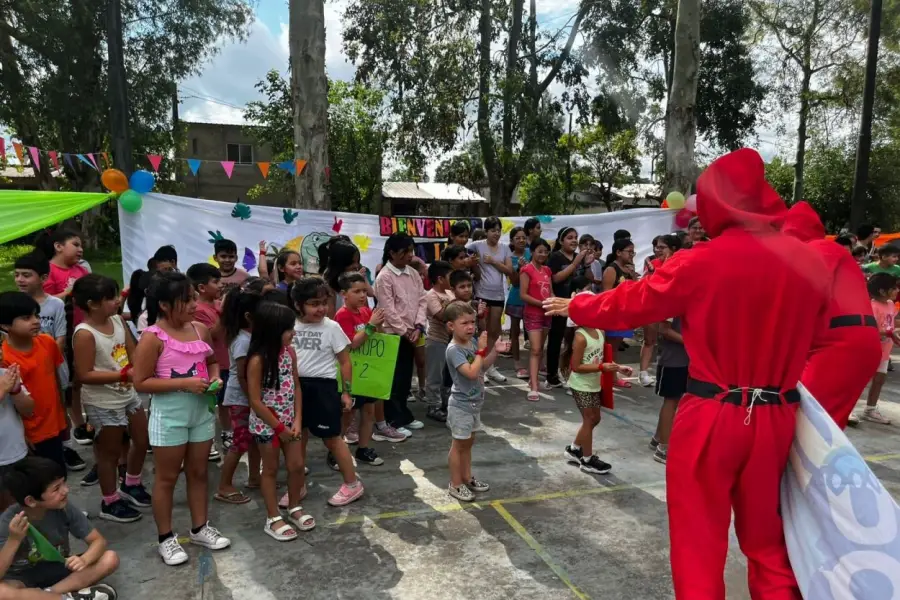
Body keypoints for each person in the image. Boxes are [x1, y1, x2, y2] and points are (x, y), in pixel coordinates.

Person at [545, 148, 832, 599]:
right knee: (769, 546)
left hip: (713, 411)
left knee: (699, 544)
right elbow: (822, 340)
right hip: (777, 416)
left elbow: (636, 301)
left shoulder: (701, 261)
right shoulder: (812, 263)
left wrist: (579, 305)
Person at [132, 272, 230, 566]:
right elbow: (140, 382)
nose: (193, 304)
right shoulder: (153, 337)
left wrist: (214, 379)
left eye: (193, 298)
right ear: (163, 304)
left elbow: (211, 361)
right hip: (170, 414)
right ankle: (166, 538)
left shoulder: (201, 329)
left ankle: (200, 527)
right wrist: (184, 383)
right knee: (166, 477)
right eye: (185, 299)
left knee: (199, 472)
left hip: (201, 411)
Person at [782, 202, 882, 430]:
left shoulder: (819, 249)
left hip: (839, 346)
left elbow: (804, 291)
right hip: (852, 342)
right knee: (825, 428)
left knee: (805, 425)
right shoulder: (832, 250)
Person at [71, 275, 151, 524]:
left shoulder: (117, 320)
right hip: (102, 401)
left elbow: (132, 350)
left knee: (142, 438)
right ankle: (110, 500)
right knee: (109, 453)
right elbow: (84, 374)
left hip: (128, 393)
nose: (118, 300)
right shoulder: (85, 334)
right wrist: (123, 374)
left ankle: (131, 483)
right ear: (93, 304)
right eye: (111, 298)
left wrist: (139, 368)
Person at [290, 277, 364, 506]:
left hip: (323, 388)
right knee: (297, 439)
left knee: (332, 439)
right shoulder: (289, 324)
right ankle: (297, 485)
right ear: (297, 305)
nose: (321, 308)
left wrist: (346, 392)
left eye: (324, 302)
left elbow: (345, 362)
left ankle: (353, 484)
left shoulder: (331, 327)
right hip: (294, 387)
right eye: (313, 303)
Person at [0, 457, 118, 599]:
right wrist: (14, 539)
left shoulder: (64, 508)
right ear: (31, 501)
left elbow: (98, 541)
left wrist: (85, 559)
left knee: (110, 558)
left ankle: (49, 595)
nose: (65, 490)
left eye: (63, 483)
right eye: (56, 488)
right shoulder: (8, 521)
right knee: (3, 592)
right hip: (22, 579)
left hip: (59, 569)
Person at [245, 302, 314, 540]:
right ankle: (273, 516)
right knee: (271, 469)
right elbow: (255, 401)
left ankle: (294, 506)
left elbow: (296, 385)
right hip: (268, 426)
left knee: (296, 466)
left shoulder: (289, 353)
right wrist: (279, 428)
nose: (293, 333)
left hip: (289, 423)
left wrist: (297, 420)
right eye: (288, 329)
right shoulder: (257, 361)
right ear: (273, 330)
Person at [34, 230, 91, 457]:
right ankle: (73, 424)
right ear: (58, 246)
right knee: (65, 382)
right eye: (75, 244)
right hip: (60, 333)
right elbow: (43, 301)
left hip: (82, 330)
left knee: (79, 377)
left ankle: (80, 422)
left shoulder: (82, 270)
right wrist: (67, 292)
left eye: (81, 245)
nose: (80, 249)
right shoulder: (49, 271)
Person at [561, 295, 631, 474]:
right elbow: (576, 367)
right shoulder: (580, 337)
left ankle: (574, 448)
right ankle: (587, 459)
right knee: (589, 419)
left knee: (595, 419)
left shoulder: (600, 331)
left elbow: (603, 357)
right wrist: (601, 367)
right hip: (581, 385)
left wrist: (618, 367)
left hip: (593, 383)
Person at [0, 293, 67, 474]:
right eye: (26, 318)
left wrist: (64, 415)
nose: (35, 321)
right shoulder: (4, 358)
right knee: (37, 484)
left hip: (53, 424)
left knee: (58, 475)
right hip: (30, 433)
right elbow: (9, 403)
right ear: (5, 325)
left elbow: (55, 379)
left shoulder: (47, 342)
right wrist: (21, 435)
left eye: (36, 315)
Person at [444, 303, 504, 502]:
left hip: (474, 403)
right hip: (460, 405)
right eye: (464, 323)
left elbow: (482, 367)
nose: (471, 327)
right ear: (451, 326)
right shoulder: (454, 350)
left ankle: (467, 477)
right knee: (458, 445)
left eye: (472, 322)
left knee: (468, 444)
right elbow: (470, 373)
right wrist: (479, 352)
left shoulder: (471, 343)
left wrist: (494, 351)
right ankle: (455, 483)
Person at [374, 234, 426, 435]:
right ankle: (393, 419)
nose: (410, 256)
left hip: (412, 332)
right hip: (392, 334)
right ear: (392, 253)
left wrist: (419, 326)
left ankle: (402, 414)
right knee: (393, 379)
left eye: (411, 251)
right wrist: (406, 331)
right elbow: (388, 310)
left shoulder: (412, 274)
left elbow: (422, 299)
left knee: (405, 377)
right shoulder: (384, 277)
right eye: (405, 252)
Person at [215, 290, 264, 505]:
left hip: (248, 397)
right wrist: (255, 400)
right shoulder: (242, 341)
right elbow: (244, 376)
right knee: (240, 442)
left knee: (253, 440)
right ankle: (224, 485)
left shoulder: (247, 336)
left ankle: (255, 477)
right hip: (241, 398)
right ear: (248, 316)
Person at [334, 273, 386, 464]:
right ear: (344, 294)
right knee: (347, 414)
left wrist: (378, 325)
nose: (362, 295)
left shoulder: (365, 312)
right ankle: (336, 450)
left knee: (369, 411)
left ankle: (363, 448)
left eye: (364, 291)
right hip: (351, 373)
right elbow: (351, 344)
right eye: (356, 291)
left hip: (368, 372)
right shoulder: (342, 315)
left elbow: (378, 337)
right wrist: (371, 327)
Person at [185, 264, 228, 461]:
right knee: (209, 404)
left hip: (225, 362)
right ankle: (207, 441)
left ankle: (227, 433)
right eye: (216, 281)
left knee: (226, 403)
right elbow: (211, 336)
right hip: (211, 363)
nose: (221, 285)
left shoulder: (217, 304)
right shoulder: (199, 310)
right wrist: (226, 313)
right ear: (202, 287)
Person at [467, 217, 513, 384]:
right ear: (486, 232)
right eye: (493, 230)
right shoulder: (477, 245)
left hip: (498, 295)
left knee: (495, 331)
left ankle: (490, 366)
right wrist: (472, 266)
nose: (496, 233)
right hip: (481, 294)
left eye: (498, 230)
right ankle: (479, 366)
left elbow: (509, 270)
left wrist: (493, 261)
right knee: (482, 331)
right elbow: (460, 251)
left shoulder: (504, 248)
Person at [546, 228, 590, 388]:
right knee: (556, 341)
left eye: (576, 237)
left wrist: (586, 265)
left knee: (574, 341)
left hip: (577, 305)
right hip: (560, 304)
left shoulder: (579, 258)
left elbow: (585, 280)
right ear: (560, 241)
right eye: (569, 237)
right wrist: (576, 262)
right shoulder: (555, 257)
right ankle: (552, 376)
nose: (574, 240)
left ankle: (570, 373)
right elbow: (556, 278)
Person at [853, 273, 899, 425]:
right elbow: (870, 330)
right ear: (882, 291)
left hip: (884, 351)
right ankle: (848, 409)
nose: (897, 291)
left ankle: (870, 409)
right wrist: (889, 333)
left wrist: (894, 333)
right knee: (859, 380)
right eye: (893, 288)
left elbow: (891, 323)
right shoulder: (872, 306)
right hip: (869, 350)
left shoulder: (891, 305)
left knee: (879, 380)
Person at [649, 316, 688, 464]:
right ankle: (663, 448)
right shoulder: (673, 302)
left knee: (675, 400)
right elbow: (663, 329)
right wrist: (691, 342)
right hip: (672, 360)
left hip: (685, 359)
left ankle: (658, 438)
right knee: (670, 401)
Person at [519, 238, 553, 402]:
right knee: (535, 349)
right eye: (539, 251)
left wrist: (554, 303)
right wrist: (542, 303)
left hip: (547, 314)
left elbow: (550, 291)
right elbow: (523, 295)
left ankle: (533, 379)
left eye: (546, 252)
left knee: (540, 349)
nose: (543, 254)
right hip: (533, 314)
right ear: (532, 252)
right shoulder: (527, 270)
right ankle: (534, 386)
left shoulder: (547, 270)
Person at [601, 238, 637, 388]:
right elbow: (606, 295)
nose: (632, 255)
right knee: (609, 348)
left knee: (614, 348)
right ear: (618, 252)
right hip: (613, 315)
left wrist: (633, 276)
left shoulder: (628, 270)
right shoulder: (611, 269)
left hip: (624, 314)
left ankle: (612, 377)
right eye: (629, 251)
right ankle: (610, 378)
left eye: (633, 252)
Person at [13, 254, 66, 356]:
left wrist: (47, 363)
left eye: (26, 275)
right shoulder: (12, 303)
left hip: (51, 362)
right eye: (16, 275)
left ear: (43, 278)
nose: (19, 279)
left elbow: (60, 339)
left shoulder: (56, 304)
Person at [423, 262, 456, 423]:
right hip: (436, 340)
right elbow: (442, 315)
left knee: (447, 376)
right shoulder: (430, 295)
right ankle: (433, 406)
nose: (453, 279)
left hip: (450, 340)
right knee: (435, 376)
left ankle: (444, 404)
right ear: (440, 279)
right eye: (450, 276)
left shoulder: (450, 293)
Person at [0, 365, 31, 511]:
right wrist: (2, 390)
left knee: (18, 510)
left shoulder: (6, 374)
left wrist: (16, 391)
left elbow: (29, 410)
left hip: (15, 454)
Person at [505, 227, 531, 378]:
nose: (521, 240)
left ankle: (537, 363)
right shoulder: (509, 258)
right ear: (512, 241)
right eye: (518, 238)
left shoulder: (531, 254)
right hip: (516, 299)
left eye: (523, 237)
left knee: (534, 333)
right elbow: (514, 282)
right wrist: (519, 268)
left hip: (531, 299)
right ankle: (517, 363)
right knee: (514, 332)